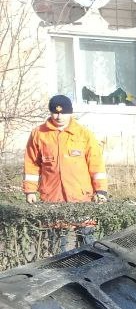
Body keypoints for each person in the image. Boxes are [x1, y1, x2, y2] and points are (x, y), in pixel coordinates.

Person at [23, 95, 110, 251]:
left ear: (70, 113)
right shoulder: (38, 134)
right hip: (52, 197)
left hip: (82, 197)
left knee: (87, 240)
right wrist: (30, 190)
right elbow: (31, 164)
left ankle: (89, 271)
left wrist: (101, 190)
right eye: (55, 113)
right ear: (50, 113)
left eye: (63, 113)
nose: (59, 116)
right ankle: (61, 272)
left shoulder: (83, 134)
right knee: (57, 244)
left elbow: (96, 164)